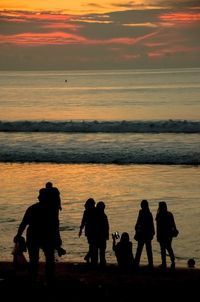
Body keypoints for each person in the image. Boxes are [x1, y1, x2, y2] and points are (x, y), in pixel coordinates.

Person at [13, 189, 63, 285]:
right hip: (45, 235)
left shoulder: (33, 208)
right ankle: (49, 279)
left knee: (35, 260)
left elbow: (24, 223)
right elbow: (55, 226)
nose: (38, 197)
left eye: (40, 195)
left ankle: (34, 279)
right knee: (48, 259)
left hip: (34, 235)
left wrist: (19, 235)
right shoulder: (51, 210)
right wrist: (57, 239)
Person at [155, 201, 178, 270]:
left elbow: (158, 227)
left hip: (162, 234)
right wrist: (175, 230)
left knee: (163, 248)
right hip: (169, 234)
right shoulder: (169, 214)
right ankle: (172, 260)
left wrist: (157, 235)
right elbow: (173, 224)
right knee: (168, 247)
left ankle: (164, 263)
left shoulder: (159, 215)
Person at [134, 199, 155, 269]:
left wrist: (136, 229)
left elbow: (138, 222)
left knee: (139, 249)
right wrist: (153, 233)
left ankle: (136, 263)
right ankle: (150, 263)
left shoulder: (142, 212)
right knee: (148, 249)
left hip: (143, 233)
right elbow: (152, 224)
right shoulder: (149, 213)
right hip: (147, 233)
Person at [78, 198, 96, 264]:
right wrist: (80, 230)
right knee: (93, 245)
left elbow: (83, 222)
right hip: (91, 231)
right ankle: (88, 257)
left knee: (92, 245)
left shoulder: (87, 212)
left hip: (89, 231)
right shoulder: (94, 211)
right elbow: (83, 222)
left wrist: (80, 230)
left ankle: (89, 258)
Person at [93, 201, 109, 267]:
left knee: (98, 251)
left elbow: (107, 227)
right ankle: (101, 264)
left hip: (99, 236)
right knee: (101, 252)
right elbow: (107, 227)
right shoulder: (103, 216)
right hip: (101, 236)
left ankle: (97, 263)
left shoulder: (96, 216)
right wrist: (107, 235)